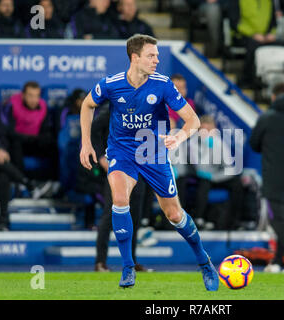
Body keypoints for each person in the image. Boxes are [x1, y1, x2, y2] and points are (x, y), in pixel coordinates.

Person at [79, 34, 219, 289]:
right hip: (121, 152)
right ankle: (127, 267)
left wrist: (179, 138)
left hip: (153, 153)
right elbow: (87, 105)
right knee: (120, 200)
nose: (157, 60)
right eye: (151, 56)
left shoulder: (163, 84)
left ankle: (204, 262)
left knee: (174, 214)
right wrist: (86, 143)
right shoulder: (111, 84)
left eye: (157, 55)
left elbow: (194, 121)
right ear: (135, 57)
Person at [249, 83, 284, 273]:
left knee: (276, 220)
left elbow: (254, 144)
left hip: (274, 177)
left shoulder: (267, 118)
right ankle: (276, 263)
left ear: (273, 97)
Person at [88, 105, 149, 272]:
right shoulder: (117, 105)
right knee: (110, 214)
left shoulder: (147, 108)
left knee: (135, 216)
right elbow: (93, 129)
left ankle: (131, 261)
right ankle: (100, 262)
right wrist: (100, 155)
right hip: (117, 167)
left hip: (138, 168)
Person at [190, 115, 244, 230]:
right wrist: (207, 148)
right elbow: (200, 168)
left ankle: (233, 221)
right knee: (204, 183)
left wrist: (216, 176)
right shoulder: (193, 143)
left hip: (216, 177)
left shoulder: (219, 142)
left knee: (237, 184)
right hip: (202, 177)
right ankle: (199, 218)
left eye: (209, 130)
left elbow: (229, 165)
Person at [0, 81, 57, 180]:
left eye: (37, 96)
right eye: (30, 95)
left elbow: (45, 130)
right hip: (17, 141)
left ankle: (51, 182)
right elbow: (9, 131)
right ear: (23, 95)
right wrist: (27, 138)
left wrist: (39, 139)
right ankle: (21, 181)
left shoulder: (43, 106)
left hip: (34, 141)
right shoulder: (12, 104)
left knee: (52, 145)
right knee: (15, 144)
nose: (34, 100)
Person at [234, 0, 278, 87]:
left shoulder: (269, 2)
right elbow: (235, 23)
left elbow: (273, 23)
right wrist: (252, 34)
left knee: (281, 46)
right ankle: (247, 78)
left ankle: (271, 81)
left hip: (264, 37)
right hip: (242, 35)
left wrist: (271, 34)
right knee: (254, 44)